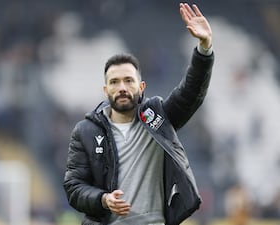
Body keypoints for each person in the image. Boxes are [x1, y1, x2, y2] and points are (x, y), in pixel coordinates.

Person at [63, 3, 214, 225]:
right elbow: (74, 188)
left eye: (128, 80)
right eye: (114, 82)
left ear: (141, 87)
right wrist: (103, 199)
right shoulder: (85, 131)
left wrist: (204, 48)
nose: (122, 87)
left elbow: (190, 93)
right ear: (106, 90)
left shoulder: (157, 117)